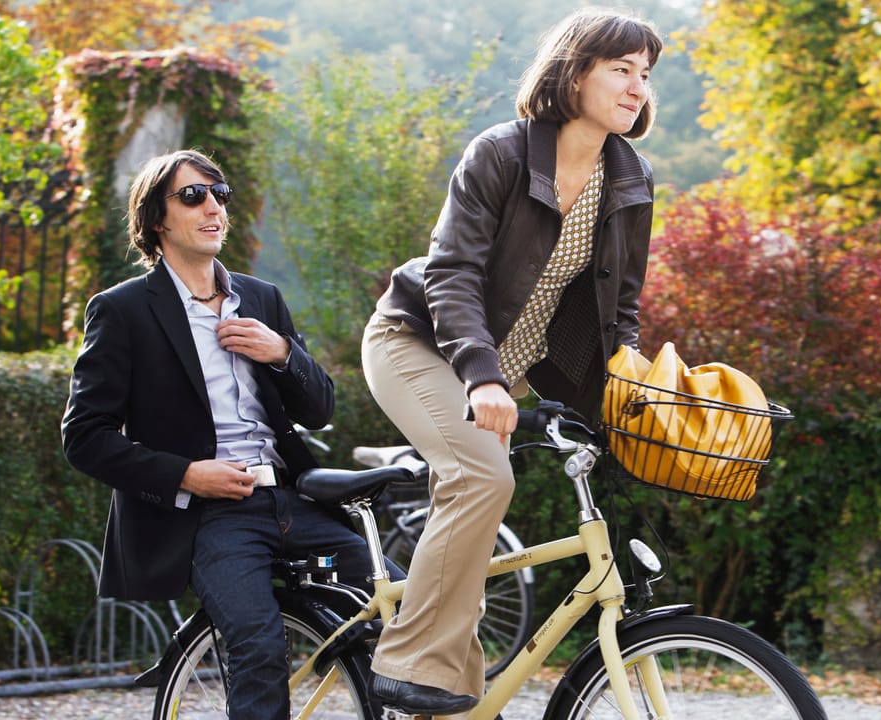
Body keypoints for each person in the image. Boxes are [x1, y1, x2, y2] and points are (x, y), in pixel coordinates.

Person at [361, 8, 663, 716]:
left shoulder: (630, 178)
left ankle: (448, 697)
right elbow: (452, 274)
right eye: (621, 69)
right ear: (574, 73)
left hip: (502, 374)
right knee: (483, 475)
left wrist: (631, 392)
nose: (637, 87)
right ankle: (407, 664)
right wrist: (483, 376)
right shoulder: (501, 153)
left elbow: (620, 310)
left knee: (476, 504)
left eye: (645, 75)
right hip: (418, 342)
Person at [61, 149, 396, 720]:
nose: (213, 207)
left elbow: (319, 409)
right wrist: (187, 475)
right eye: (193, 196)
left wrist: (283, 352)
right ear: (156, 219)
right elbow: (84, 436)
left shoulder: (262, 298)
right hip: (211, 515)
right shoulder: (123, 310)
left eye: (220, 194)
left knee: (413, 609)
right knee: (259, 649)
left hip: (291, 500)